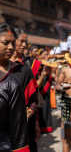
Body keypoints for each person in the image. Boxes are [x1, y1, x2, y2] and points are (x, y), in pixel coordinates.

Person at [0, 22, 30, 151]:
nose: (11, 47)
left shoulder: (15, 79)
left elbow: (18, 131)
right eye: (6, 43)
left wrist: (30, 110)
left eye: (13, 43)